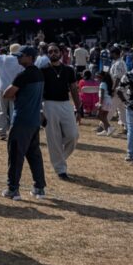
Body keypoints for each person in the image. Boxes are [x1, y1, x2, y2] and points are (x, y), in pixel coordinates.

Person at [1, 45, 47, 200]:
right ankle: (39, 188)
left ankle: (13, 189)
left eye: (21, 56)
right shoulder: (39, 74)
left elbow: (7, 94)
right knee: (34, 155)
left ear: (30, 57)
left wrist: (17, 96)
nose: (18, 58)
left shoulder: (23, 75)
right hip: (34, 121)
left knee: (15, 155)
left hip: (21, 120)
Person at [41, 44, 81, 181]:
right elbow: (39, 91)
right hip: (48, 104)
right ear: (47, 54)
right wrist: (40, 110)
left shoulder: (69, 70)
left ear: (61, 53)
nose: (53, 53)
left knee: (73, 135)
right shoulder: (43, 70)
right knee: (54, 138)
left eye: (55, 51)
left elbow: (74, 89)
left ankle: (59, 159)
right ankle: (60, 169)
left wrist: (78, 108)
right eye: (50, 51)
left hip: (65, 104)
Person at [0, 43, 22, 139]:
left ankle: (2, 132)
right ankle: (14, 131)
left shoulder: (2, 58)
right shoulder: (20, 60)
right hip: (15, 89)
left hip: (2, 88)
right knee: (14, 110)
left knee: (1, 110)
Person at [115, 68, 133, 162]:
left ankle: (131, 155)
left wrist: (125, 101)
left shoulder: (128, 75)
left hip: (132, 106)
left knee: (132, 131)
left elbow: (119, 90)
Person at [109, 46, 127, 132]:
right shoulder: (117, 62)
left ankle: (104, 126)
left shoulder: (119, 63)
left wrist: (113, 89)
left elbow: (118, 78)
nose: (110, 55)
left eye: (111, 53)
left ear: (115, 54)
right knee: (122, 109)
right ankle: (127, 127)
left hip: (118, 89)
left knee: (111, 107)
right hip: (122, 89)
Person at [95, 71, 114, 135]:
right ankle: (106, 130)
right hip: (109, 101)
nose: (96, 78)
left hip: (104, 101)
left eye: (97, 77)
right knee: (104, 116)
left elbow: (101, 95)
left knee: (99, 115)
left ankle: (109, 127)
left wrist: (100, 104)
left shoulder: (102, 84)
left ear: (101, 77)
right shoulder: (106, 83)